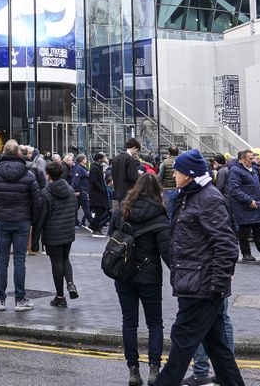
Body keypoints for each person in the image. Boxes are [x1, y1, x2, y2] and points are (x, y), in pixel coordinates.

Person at [153, 150, 244, 386]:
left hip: (201, 288)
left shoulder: (208, 198)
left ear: (190, 174)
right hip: (195, 282)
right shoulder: (190, 196)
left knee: (181, 346)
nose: (174, 173)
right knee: (218, 348)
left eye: (178, 170)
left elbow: (226, 245)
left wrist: (217, 284)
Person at [109, 173, 172, 386]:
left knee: (129, 322)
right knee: (155, 323)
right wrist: (180, 274)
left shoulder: (121, 210)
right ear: (157, 191)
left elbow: (112, 239)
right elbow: (167, 252)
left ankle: (133, 370)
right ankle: (154, 368)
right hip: (150, 276)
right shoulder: (160, 214)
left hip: (124, 274)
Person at [0, 140, 41, 311]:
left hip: (2, 220)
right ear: (18, 154)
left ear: (3, 152)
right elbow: (38, 201)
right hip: (22, 221)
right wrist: (32, 219)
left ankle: (0, 300)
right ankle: (19, 300)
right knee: (19, 260)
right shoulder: (29, 174)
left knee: (2, 260)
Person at [225, 149, 260, 262]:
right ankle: (246, 253)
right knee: (244, 230)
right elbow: (234, 190)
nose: (253, 161)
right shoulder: (235, 171)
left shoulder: (252, 170)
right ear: (241, 159)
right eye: (250, 159)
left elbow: (256, 188)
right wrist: (249, 200)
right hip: (243, 206)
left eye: (253, 158)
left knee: (258, 229)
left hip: (255, 205)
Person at [38, 160, 79, 307]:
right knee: (65, 259)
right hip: (67, 231)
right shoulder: (69, 190)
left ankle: (60, 297)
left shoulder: (45, 193)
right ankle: (70, 283)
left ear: (48, 175)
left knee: (56, 263)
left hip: (52, 233)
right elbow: (74, 210)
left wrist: (35, 238)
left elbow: (41, 217)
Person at [111, 138, 143, 208]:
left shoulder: (115, 158)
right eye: (137, 151)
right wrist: (139, 174)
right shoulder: (129, 159)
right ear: (134, 147)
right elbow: (132, 177)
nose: (136, 153)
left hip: (118, 191)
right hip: (128, 192)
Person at [89, 152, 111, 236]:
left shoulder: (98, 166)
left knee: (101, 210)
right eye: (103, 157)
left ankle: (93, 224)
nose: (105, 159)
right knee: (99, 211)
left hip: (99, 192)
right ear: (99, 159)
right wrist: (101, 188)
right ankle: (96, 228)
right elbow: (94, 181)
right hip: (96, 193)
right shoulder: (94, 167)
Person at [70, 153, 91, 228]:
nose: (86, 160)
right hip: (82, 191)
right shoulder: (79, 168)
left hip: (83, 190)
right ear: (81, 160)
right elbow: (76, 180)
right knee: (86, 207)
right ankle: (92, 223)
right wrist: (77, 190)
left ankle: (75, 221)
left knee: (77, 207)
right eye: (85, 159)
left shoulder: (81, 167)